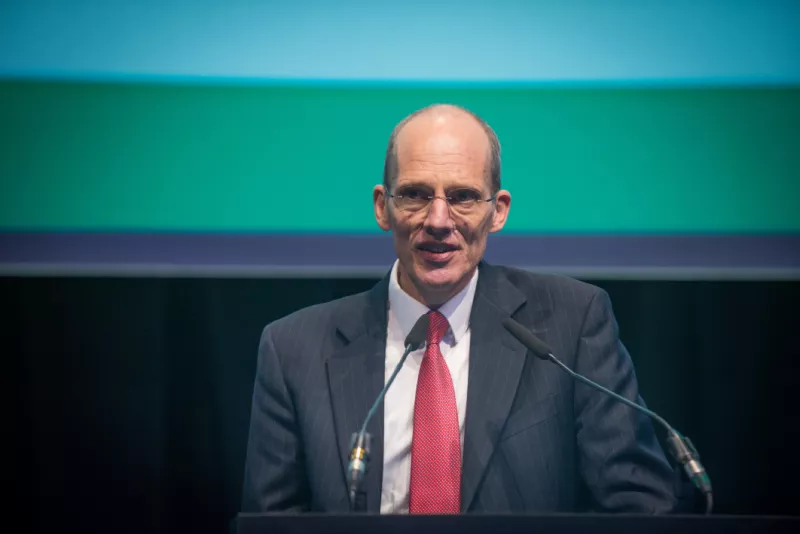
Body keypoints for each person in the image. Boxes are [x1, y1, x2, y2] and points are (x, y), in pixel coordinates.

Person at [241, 104, 686, 514]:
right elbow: (273, 524)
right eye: (415, 194)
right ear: (382, 207)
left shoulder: (571, 324)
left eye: (463, 197)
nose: (438, 220)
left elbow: (639, 507)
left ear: (498, 211)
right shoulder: (294, 349)